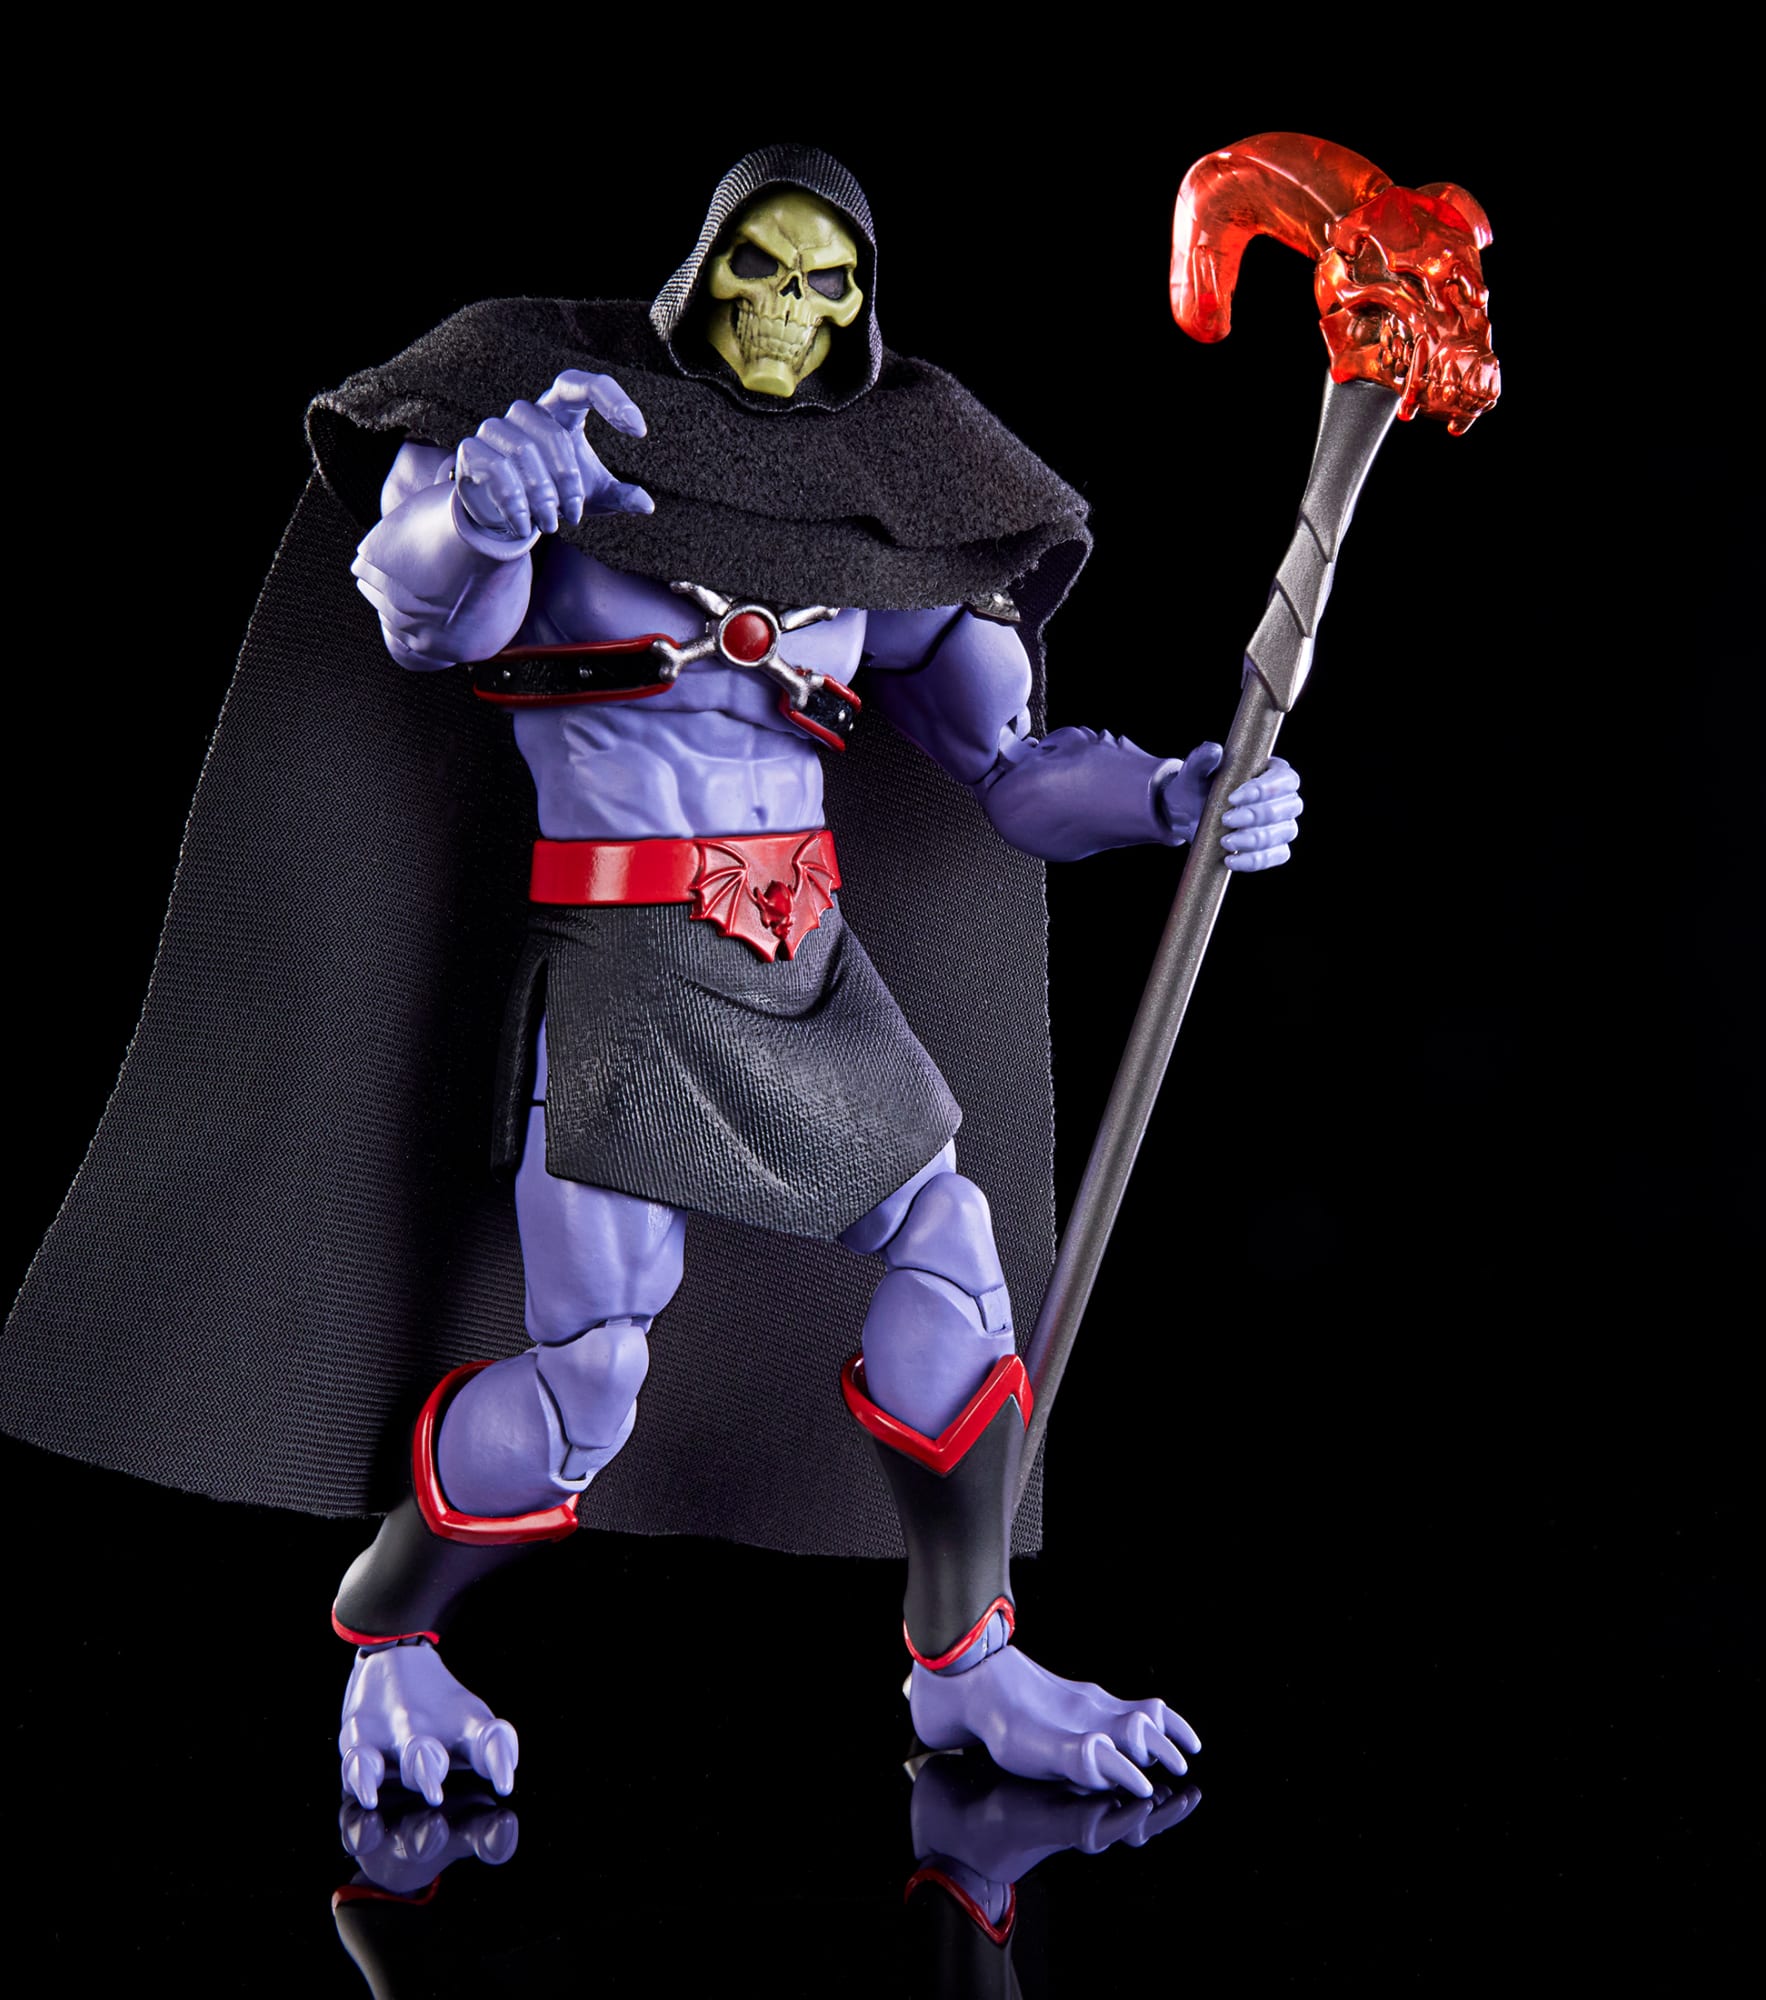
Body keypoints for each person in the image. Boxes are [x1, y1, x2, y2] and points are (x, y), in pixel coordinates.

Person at [325, 148, 1299, 1809]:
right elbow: (423, 615)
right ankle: (391, 1635)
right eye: (758, 271)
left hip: (804, 951)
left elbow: (1012, 769)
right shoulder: (558, 439)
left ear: (861, 313)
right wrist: (480, 504)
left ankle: (966, 1663)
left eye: (826, 285)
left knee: (953, 1261)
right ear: (699, 275)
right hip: (625, 952)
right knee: (589, 1378)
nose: (788, 312)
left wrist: (1169, 800)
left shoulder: (874, 507)